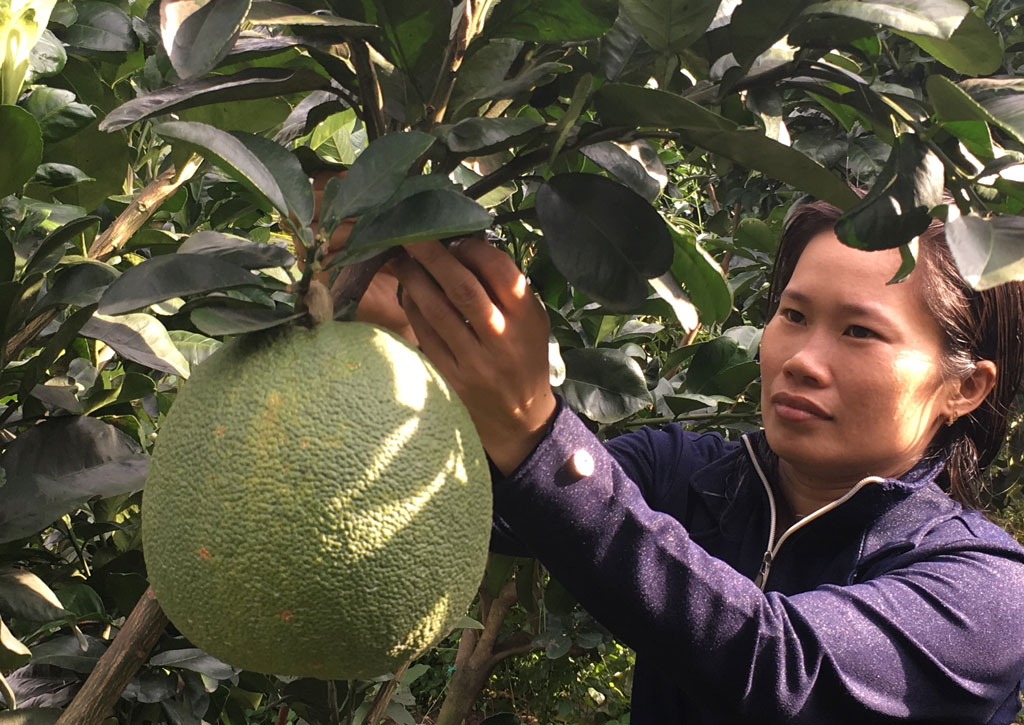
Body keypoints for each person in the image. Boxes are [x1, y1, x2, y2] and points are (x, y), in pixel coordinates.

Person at [359, 197, 1024, 723]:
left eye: (859, 331)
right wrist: (413, 341)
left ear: (965, 387)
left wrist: (536, 433)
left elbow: (781, 669)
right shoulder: (681, 474)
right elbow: (489, 509)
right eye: (793, 315)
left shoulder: (986, 591)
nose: (801, 360)